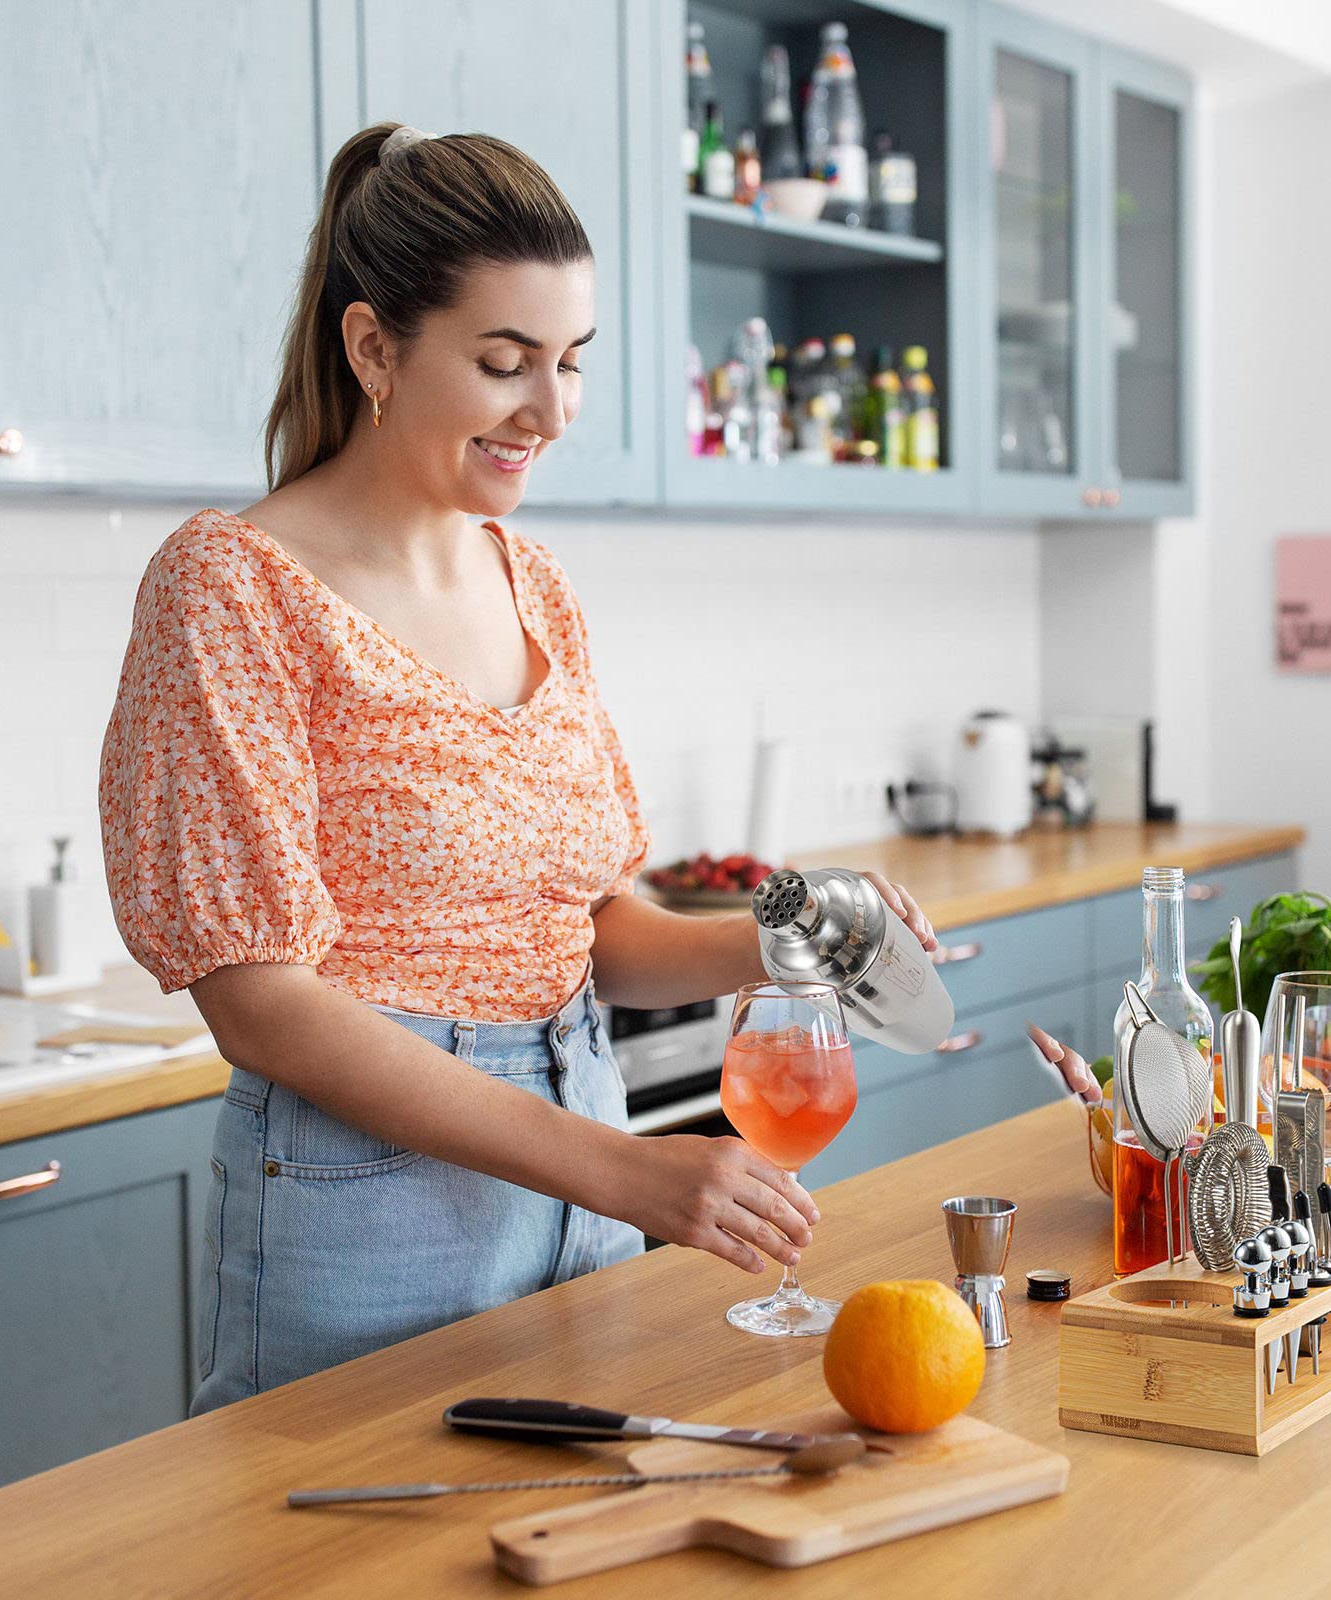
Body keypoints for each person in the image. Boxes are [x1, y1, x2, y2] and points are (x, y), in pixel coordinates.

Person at [98, 124, 938, 1414]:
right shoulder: (232, 585)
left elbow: (586, 926)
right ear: (374, 346)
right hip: (362, 1204)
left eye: (571, 364)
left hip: (577, 1135)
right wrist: (619, 1168)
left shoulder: (527, 579)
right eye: (505, 365)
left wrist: (785, 938)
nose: (550, 414)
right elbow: (257, 998)